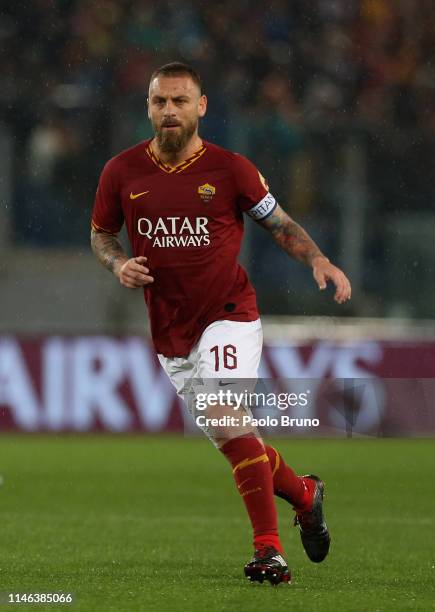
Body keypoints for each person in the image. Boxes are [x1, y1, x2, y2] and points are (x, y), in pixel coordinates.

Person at [90, 62, 351, 586]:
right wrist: (119, 263)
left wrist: (317, 259)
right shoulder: (121, 171)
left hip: (228, 315)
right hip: (171, 333)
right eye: (160, 101)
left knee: (225, 415)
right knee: (235, 438)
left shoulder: (231, 169)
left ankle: (269, 551)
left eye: (180, 101)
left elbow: (279, 224)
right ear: (148, 106)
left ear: (201, 106)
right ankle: (304, 494)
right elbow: (101, 235)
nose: (169, 111)